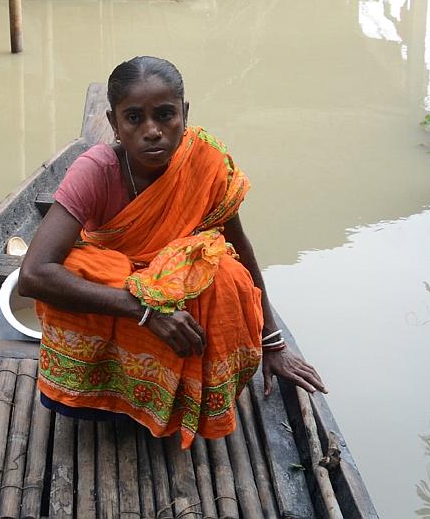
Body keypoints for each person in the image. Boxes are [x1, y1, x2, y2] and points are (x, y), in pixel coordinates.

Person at [17, 55, 326, 448]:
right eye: (134, 118)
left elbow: (241, 248)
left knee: (226, 276)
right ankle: (104, 396)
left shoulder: (204, 160)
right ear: (114, 124)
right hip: (125, 294)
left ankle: (180, 399)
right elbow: (34, 274)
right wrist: (146, 310)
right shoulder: (95, 170)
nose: (152, 131)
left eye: (165, 116)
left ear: (185, 113)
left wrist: (273, 343)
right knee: (79, 271)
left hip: (175, 285)